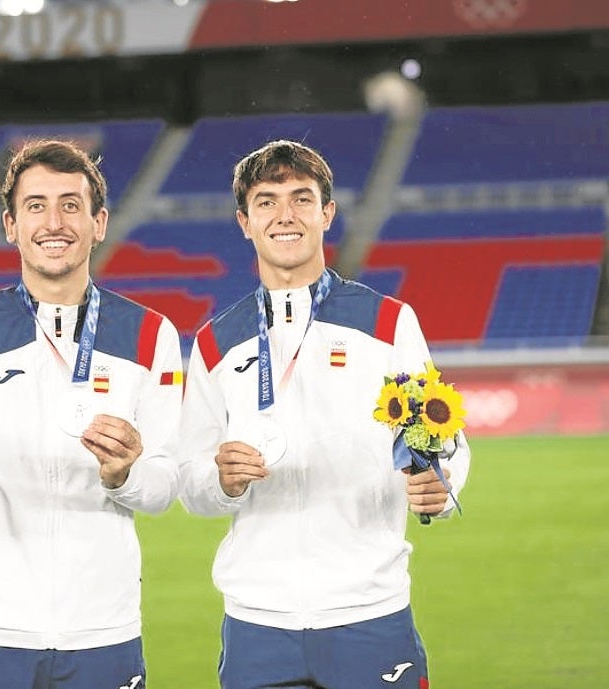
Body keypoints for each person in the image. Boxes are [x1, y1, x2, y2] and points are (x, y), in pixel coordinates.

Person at [177, 139, 471, 689]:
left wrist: (445, 484)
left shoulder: (387, 322)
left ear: (326, 213)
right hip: (257, 622)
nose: (284, 215)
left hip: (370, 611)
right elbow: (191, 483)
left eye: (300, 198)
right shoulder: (215, 342)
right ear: (244, 221)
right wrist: (222, 481)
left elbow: (445, 443)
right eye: (266, 201)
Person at [0, 139, 183, 689]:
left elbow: (163, 486)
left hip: (103, 627)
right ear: (11, 224)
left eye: (71, 204)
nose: (54, 222)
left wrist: (125, 474)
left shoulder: (151, 334)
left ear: (98, 221)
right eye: (36, 205)